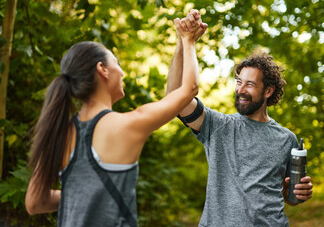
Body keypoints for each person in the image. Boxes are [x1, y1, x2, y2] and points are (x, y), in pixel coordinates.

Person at [25, 12, 207, 227]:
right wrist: (188, 40)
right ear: (102, 70)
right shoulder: (127, 125)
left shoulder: (58, 132)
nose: (122, 72)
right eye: (117, 63)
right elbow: (188, 90)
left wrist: (85, 194)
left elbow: (35, 203)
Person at [167, 10, 313, 227]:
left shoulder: (287, 139)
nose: (241, 90)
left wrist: (299, 192)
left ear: (268, 91)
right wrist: (183, 43)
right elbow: (174, 98)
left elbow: (286, 194)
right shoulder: (218, 127)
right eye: (239, 82)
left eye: (250, 84)